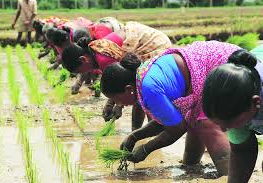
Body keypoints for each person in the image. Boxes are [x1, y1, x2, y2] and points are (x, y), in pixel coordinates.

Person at [100, 41, 242, 175]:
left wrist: (145, 148)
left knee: (205, 124)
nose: (119, 104)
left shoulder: (149, 89)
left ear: (128, 89)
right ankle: (191, 168)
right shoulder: (143, 76)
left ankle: (230, 175)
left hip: (225, 67)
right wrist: (134, 136)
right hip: (213, 65)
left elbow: (176, 129)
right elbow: (169, 120)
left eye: (116, 99)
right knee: (193, 120)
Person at [62, 21, 172, 129]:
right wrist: (111, 104)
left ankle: (146, 132)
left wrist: (117, 105)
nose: (84, 74)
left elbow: (123, 83)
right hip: (143, 36)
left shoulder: (104, 59)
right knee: (138, 92)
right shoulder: (95, 47)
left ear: (83, 59)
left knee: (141, 92)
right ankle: (138, 132)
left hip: (152, 45)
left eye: (81, 71)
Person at [202, 49, 263, 183]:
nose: (223, 130)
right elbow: (242, 151)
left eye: (228, 122)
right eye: (218, 123)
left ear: (255, 103)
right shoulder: (233, 93)